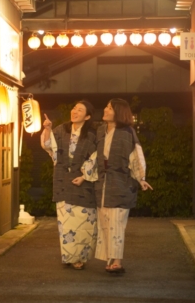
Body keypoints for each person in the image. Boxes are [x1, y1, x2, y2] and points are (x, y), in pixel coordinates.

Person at [82, 98, 153, 273]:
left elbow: (135, 155)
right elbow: (94, 156)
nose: (105, 110)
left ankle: (117, 261)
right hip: (103, 184)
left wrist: (141, 178)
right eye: (106, 106)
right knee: (105, 223)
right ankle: (109, 257)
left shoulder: (127, 132)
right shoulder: (100, 131)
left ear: (118, 112)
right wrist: (84, 175)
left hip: (121, 183)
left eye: (109, 107)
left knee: (117, 223)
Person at [40, 101, 98, 270]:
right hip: (63, 180)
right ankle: (71, 257)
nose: (75, 111)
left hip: (83, 183)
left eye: (80, 110)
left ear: (87, 116)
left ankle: (81, 257)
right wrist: (48, 129)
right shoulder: (61, 130)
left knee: (85, 222)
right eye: (74, 108)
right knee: (67, 224)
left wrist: (84, 176)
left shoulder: (92, 135)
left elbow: (96, 157)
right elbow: (47, 145)